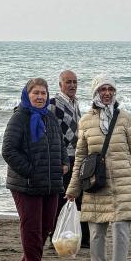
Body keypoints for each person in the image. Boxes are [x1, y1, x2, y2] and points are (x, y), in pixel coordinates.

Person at [65, 75, 131, 261]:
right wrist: (73, 188)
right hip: (96, 184)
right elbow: (80, 158)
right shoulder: (85, 121)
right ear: (96, 93)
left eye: (110, 89)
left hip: (124, 183)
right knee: (96, 231)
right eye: (102, 89)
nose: (107, 93)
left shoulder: (125, 118)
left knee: (122, 227)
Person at [2, 78, 69, 261]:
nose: (40, 97)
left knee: (47, 224)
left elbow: (61, 144)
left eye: (43, 93)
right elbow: (9, 150)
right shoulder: (19, 117)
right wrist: (30, 171)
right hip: (26, 183)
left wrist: (65, 162)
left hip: (50, 182)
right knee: (32, 225)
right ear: (27, 94)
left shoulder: (49, 117)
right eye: (36, 93)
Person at [48, 70, 89, 248]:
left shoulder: (75, 102)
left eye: (74, 82)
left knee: (80, 198)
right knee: (62, 199)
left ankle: (80, 238)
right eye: (68, 82)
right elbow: (52, 134)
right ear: (60, 85)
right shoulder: (53, 104)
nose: (72, 85)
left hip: (78, 157)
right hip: (64, 159)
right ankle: (56, 238)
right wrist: (59, 159)